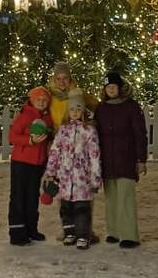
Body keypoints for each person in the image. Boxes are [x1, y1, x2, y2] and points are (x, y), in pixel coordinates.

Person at [42, 90, 102, 249]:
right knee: (66, 207)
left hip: (82, 178)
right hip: (65, 177)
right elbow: (55, 152)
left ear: (83, 111)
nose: (75, 112)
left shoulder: (89, 131)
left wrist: (95, 178)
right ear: (68, 111)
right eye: (72, 109)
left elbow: (94, 155)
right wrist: (50, 172)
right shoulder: (63, 130)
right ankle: (69, 233)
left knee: (82, 208)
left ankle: (83, 235)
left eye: (78, 109)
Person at [94, 71, 147, 249]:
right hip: (108, 159)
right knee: (111, 197)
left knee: (125, 197)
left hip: (126, 157)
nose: (111, 89)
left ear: (119, 87)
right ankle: (113, 231)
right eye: (108, 87)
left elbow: (140, 134)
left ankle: (129, 235)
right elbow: (96, 134)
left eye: (113, 86)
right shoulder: (101, 109)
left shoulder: (131, 107)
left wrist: (141, 159)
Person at [8, 86, 53, 245]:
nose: (41, 102)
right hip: (21, 162)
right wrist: (30, 141)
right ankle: (17, 233)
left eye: (44, 100)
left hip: (38, 163)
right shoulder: (25, 115)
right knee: (19, 197)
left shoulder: (47, 118)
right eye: (38, 99)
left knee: (32, 197)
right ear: (32, 100)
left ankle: (31, 229)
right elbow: (12, 136)